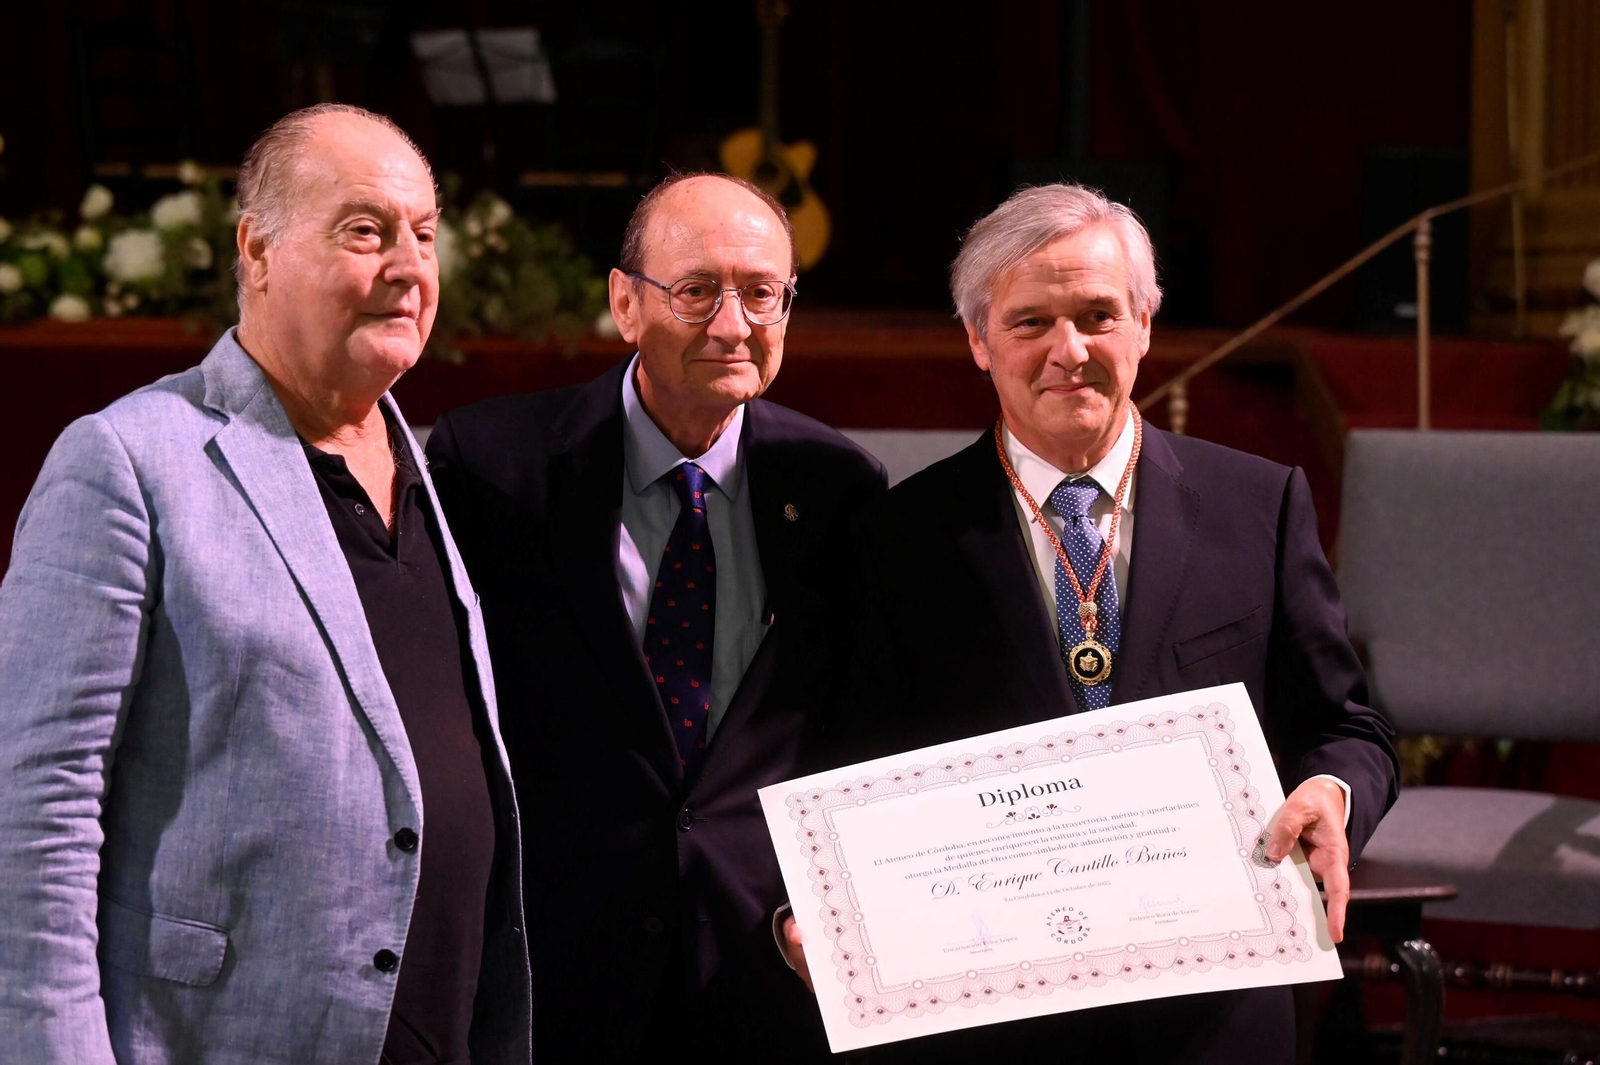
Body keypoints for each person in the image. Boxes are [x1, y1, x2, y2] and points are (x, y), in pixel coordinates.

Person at [816, 183, 1398, 1062]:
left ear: (1145, 325)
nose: (1070, 351)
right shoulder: (897, 540)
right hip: (994, 1022)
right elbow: (853, 767)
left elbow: (1347, 724)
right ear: (978, 341)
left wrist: (1334, 793)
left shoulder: (1260, 505)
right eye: (1029, 323)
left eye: (1097, 314)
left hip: (1212, 1007)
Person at [0, 104, 529, 1065]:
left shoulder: (427, 470)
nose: (409, 268)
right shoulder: (127, 462)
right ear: (257, 249)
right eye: (366, 231)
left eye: (423, 234)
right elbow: (33, 819)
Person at [425, 172, 886, 1062]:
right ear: (625, 303)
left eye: (761, 293)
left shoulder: (840, 488)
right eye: (697, 290)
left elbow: (857, 729)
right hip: (549, 967)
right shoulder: (491, 465)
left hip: (761, 976)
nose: (731, 324)